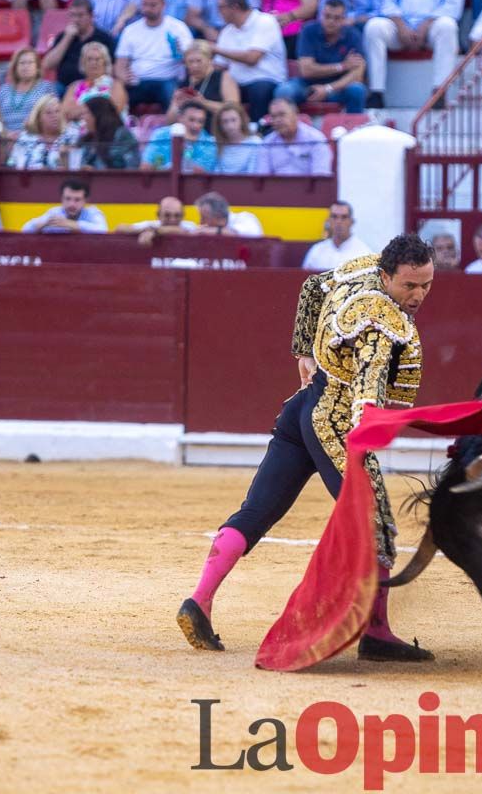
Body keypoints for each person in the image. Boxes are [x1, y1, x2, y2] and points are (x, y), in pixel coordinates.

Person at [176, 233, 436, 662]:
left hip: (301, 409)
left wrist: (304, 352)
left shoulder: (362, 269)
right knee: (375, 521)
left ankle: (199, 600)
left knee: (256, 512)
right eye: (410, 285)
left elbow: (313, 286)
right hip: (335, 423)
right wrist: (364, 431)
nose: (418, 294)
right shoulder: (382, 322)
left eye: (426, 284)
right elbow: (369, 387)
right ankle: (376, 633)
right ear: (387, 275)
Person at [363, 0, 462, 109]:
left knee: (448, 25)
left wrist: (425, 25)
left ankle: (439, 92)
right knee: (374, 26)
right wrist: (401, 26)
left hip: (433, 26)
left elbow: (452, 6)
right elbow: (387, 2)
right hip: (399, 26)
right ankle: (376, 92)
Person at [275, 0, 367, 113]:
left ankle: (354, 124)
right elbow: (306, 70)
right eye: (327, 16)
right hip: (308, 85)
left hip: (337, 87)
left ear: (344, 19)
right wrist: (342, 66)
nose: (331, 21)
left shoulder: (353, 36)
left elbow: (357, 74)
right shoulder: (308, 30)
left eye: (336, 18)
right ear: (320, 15)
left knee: (357, 90)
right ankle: (291, 124)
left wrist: (328, 88)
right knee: (284, 91)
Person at [214, 0, 288, 121]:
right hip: (237, 84)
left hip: (267, 80)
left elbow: (252, 58)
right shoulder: (227, 31)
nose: (218, 12)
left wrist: (216, 49)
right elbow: (219, 66)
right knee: (217, 84)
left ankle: (258, 129)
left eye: (221, 7)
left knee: (259, 89)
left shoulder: (265, 21)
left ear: (235, 7)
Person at [115, 0, 194, 111]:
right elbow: (120, 65)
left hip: (168, 79)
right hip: (137, 81)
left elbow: (191, 58)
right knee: (118, 91)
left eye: (152, 5)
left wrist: (182, 53)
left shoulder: (178, 28)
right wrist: (123, 77)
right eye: (144, 4)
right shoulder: (130, 30)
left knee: (173, 97)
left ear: (163, 5)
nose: (147, 9)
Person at [42, 0, 118, 93]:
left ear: (91, 16)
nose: (76, 19)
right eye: (73, 15)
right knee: (48, 92)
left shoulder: (104, 38)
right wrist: (67, 38)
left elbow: (112, 68)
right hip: (63, 86)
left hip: (93, 86)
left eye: (80, 15)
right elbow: (48, 64)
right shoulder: (63, 36)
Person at [166, 40, 241, 127]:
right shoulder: (184, 83)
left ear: (209, 60)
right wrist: (176, 104)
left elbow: (234, 110)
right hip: (190, 130)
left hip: (217, 128)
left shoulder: (223, 77)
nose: (194, 65)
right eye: (190, 62)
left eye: (199, 61)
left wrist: (204, 103)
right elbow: (169, 122)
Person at [257, 96, 331, 175]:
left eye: (282, 115)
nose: (277, 120)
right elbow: (262, 177)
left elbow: (321, 176)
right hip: (276, 183)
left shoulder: (316, 139)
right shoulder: (267, 143)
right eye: (273, 117)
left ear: (296, 115)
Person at [141, 100, 218, 172]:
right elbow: (145, 167)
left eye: (200, 121)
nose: (196, 125)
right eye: (191, 120)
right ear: (180, 118)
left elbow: (201, 173)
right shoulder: (161, 135)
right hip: (159, 181)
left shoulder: (209, 143)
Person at [62, 43, 128, 122]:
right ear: (83, 63)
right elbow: (65, 112)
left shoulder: (115, 85)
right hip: (76, 128)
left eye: (97, 59)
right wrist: (96, 109)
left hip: (106, 127)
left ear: (105, 63)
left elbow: (113, 110)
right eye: (89, 59)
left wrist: (80, 110)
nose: (93, 63)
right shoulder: (74, 86)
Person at [0, 48, 57, 133]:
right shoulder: (4, 90)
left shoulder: (46, 88)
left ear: (37, 67)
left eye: (30, 62)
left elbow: (53, 115)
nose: (26, 66)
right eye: (22, 63)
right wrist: (6, 134)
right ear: (15, 68)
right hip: (6, 137)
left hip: (35, 135)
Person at [7, 95, 72, 170]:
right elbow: (11, 164)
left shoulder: (69, 137)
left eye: (57, 111)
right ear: (38, 117)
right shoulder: (25, 138)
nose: (54, 116)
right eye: (48, 113)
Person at [302, 200, 372, 269]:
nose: (339, 222)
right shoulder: (317, 252)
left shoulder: (364, 254)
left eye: (344, 217)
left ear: (351, 222)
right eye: (334, 217)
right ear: (328, 221)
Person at [21, 178, 108, 233]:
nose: (71, 204)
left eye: (77, 200)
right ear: (62, 199)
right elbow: (25, 229)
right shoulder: (55, 213)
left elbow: (103, 230)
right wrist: (44, 224)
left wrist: (70, 224)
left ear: (86, 201)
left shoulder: (93, 213)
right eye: (67, 199)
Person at [78, 97, 141, 170]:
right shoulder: (88, 139)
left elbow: (132, 169)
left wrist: (96, 172)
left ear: (97, 114)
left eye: (86, 113)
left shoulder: (121, 134)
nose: (82, 118)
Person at [116, 195, 197, 245]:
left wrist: (154, 231)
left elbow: (180, 230)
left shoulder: (189, 225)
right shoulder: (152, 225)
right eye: (167, 215)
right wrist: (145, 230)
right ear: (158, 215)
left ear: (183, 216)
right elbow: (120, 227)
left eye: (177, 215)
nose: (172, 219)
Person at [187, 0, 261, 41]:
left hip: (240, 28)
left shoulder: (263, 22)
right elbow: (191, 17)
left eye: (220, 7)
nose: (218, 11)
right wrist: (208, 30)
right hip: (209, 32)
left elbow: (248, 14)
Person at [212, 101, 260, 173]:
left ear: (242, 120)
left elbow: (253, 173)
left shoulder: (255, 142)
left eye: (234, 120)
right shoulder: (214, 143)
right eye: (225, 121)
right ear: (220, 125)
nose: (230, 126)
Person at [193, 190, 262, 235]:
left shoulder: (245, 218)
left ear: (217, 216)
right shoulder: (208, 230)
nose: (201, 222)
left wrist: (215, 231)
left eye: (204, 217)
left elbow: (253, 233)